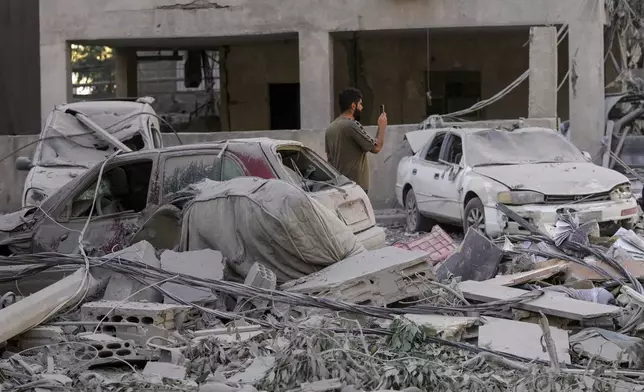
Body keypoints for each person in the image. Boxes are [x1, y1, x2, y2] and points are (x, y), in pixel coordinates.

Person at [325, 88, 387, 194]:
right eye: (360, 104)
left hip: (339, 186)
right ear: (353, 106)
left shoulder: (330, 128)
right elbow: (377, 147)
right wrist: (382, 126)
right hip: (355, 188)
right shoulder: (351, 126)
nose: (362, 108)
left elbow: (329, 160)